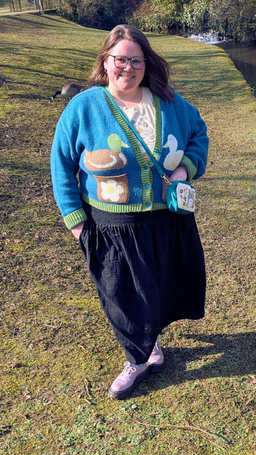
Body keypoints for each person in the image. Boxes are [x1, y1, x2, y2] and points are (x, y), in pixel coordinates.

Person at [51, 24, 208, 400]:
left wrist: (184, 169)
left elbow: (198, 133)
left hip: (166, 219)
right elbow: (61, 166)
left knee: (161, 288)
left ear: (145, 63)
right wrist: (76, 223)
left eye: (135, 60)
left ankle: (150, 343)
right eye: (119, 59)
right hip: (111, 225)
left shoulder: (168, 102)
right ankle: (136, 360)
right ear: (105, 62)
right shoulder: (83, 107)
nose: (128, 67)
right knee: (122, 294)